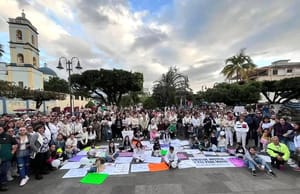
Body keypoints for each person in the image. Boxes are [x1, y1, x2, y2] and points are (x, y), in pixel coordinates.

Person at [0, 126, 17, 191]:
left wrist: (12, 153)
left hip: (6, 158)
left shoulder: (8, 136)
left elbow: (15, 144)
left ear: (3, 129)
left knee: (3, 172)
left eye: (0, 129)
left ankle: (3, 184)